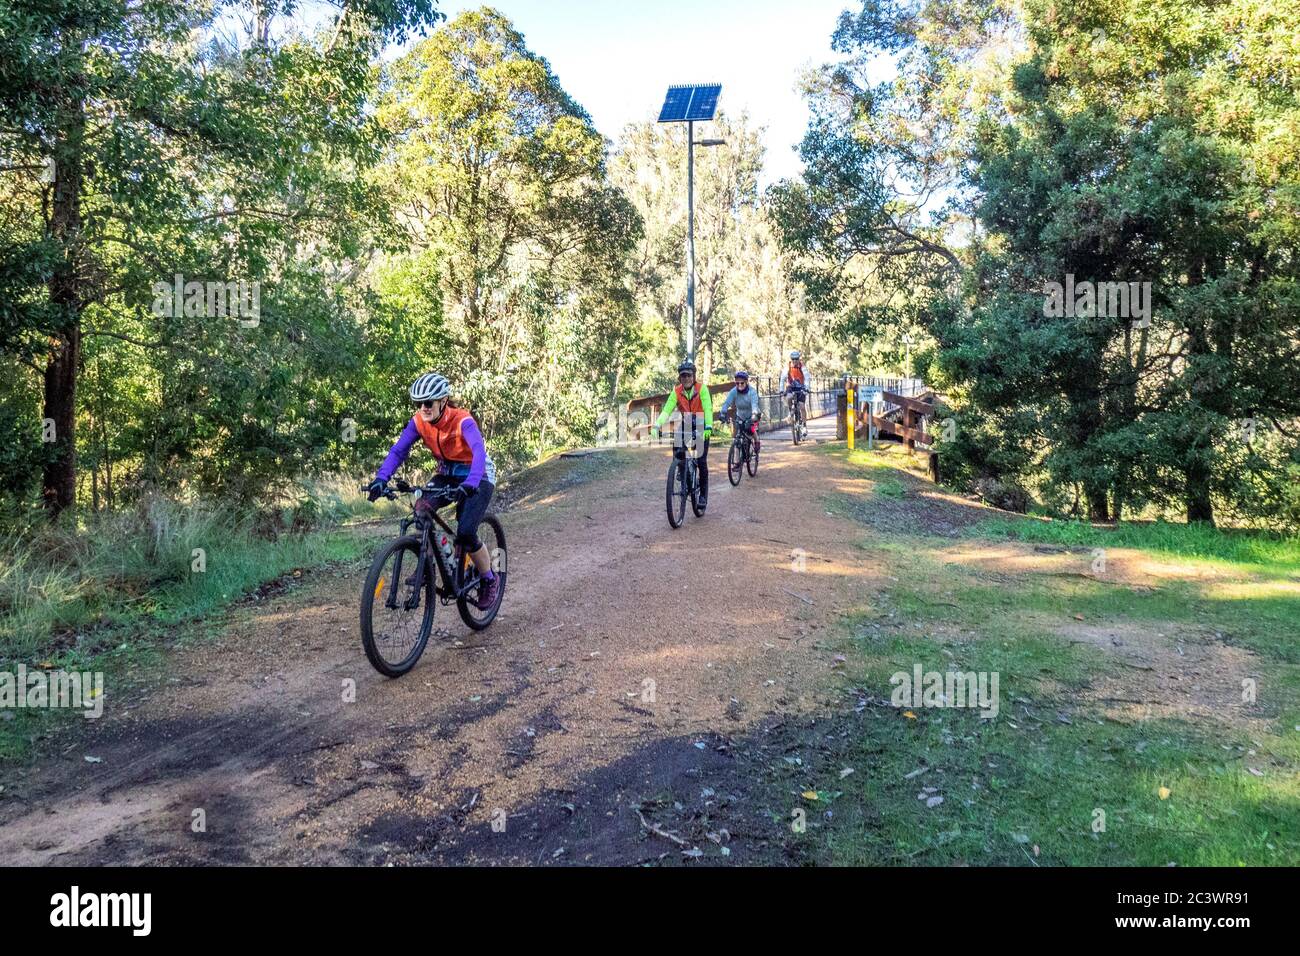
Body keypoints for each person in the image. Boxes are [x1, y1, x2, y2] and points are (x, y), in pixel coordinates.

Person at [366, 372, 500, 610]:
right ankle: (427, 565)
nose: (423, 408)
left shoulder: (462, 420)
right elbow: (399, 451)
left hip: (478, 475)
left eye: (428, 402)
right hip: (447, 474)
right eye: (419, 403)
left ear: (443, 400)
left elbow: (478, 452)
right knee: (421, 510)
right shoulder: (419, 421)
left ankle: (490, 579)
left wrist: (470, 483)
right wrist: (380, 479)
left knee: (467, 531)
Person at [653, 359, 713, 508]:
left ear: (694, 376)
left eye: (689, 375)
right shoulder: (677, 391)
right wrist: (657, 425)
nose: (686, 378)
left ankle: (703, 496)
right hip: (687, 422)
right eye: (683, 376)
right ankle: (681, 467)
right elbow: (667, 410)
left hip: (701, 422)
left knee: (701, 460)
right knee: (677, 446)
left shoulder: (702, 389)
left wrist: (708, 426)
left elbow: (708, 408)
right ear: (680, 378)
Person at [719, 370, 762, 455]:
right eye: (737, 383)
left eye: (742, 383)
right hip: (740, 415)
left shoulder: (752, 392)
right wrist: (723, 413)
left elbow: (754, 404)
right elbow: (727, 402)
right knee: (737, 437)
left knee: (751, 429)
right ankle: (737, 462)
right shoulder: (733, 391)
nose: (739, 385)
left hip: (753, 414)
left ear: (746, 382)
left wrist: (754, 415)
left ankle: (757, 441)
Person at [781, 350, 809, 421]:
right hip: (791, 387)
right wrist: (781, 390)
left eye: (796, 359)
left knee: (802, 406)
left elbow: (807, 378)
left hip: (801, 387)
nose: (794, 361)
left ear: (798, 359)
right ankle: (791, 411)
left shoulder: (802, 367)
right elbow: (782, 379)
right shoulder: (788, 367)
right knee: (789, 398)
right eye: (793, 359)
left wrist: (807, 388)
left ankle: (804, 426)